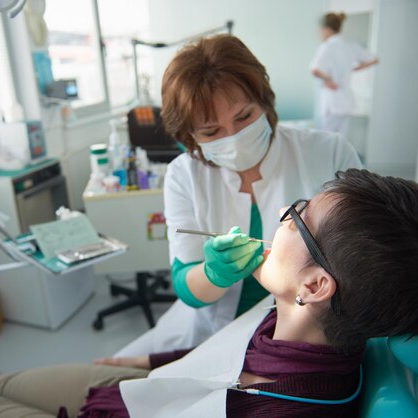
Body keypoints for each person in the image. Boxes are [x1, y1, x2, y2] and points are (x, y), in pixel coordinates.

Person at [0, 169, 418, 418]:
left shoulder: (284, 406)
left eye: (298, 217)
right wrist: (141, 362)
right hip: (151, 384)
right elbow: (215, 367)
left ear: (318, 284)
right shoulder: (304, 323)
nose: (283, 218)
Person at [115, 34, 362, 357]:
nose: (234, 137)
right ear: (188, 138)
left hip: (308, 336)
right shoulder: (183, 175)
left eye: (244, 116)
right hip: (209, 335)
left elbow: (364, 253)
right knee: (113, 378)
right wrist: (212, 274)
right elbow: (186, 285)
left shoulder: (329, 152)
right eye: (211, 131)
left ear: (264, 100)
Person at [310, 12, 379, 138]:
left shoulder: (327, 47)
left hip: (331, 103)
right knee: (342, 142)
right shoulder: (351, 45)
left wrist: (328, 79)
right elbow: (374, 59)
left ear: (327, 29)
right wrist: (356, 68)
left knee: (327, 141)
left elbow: (314, 70)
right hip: (346, 102)